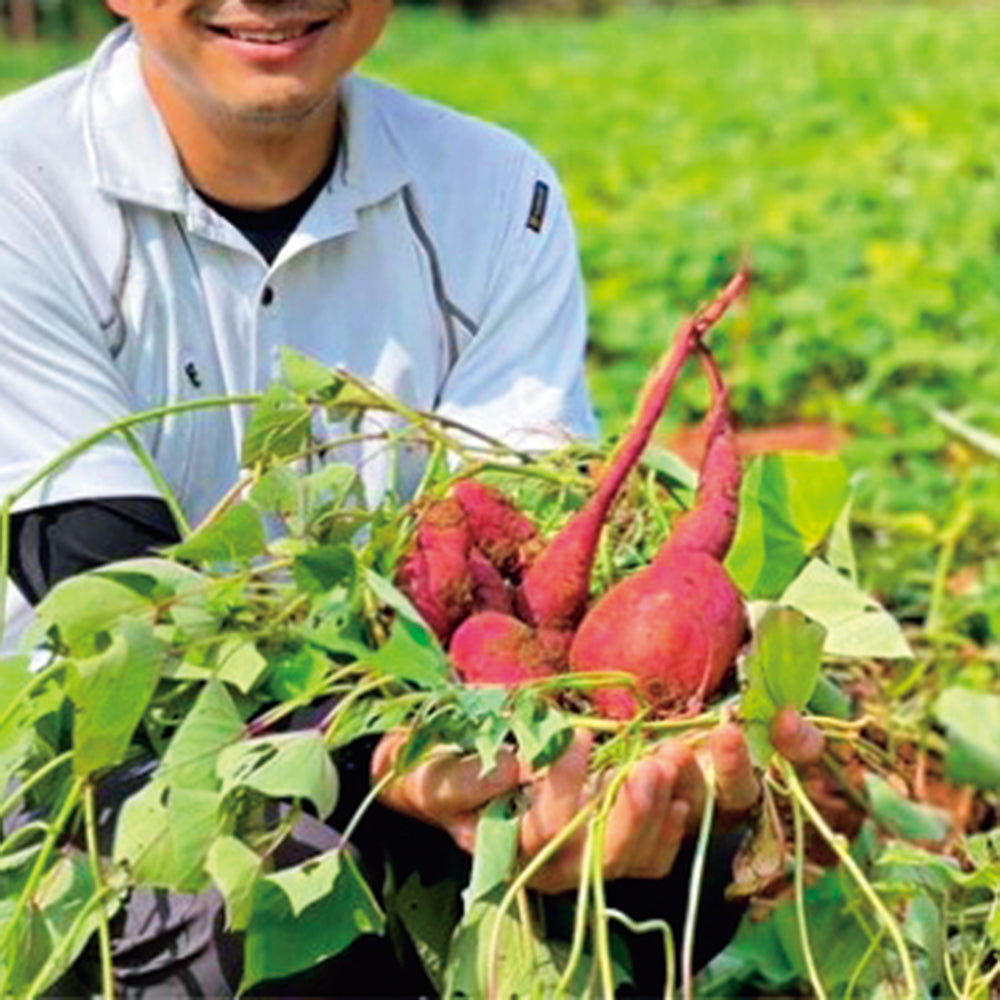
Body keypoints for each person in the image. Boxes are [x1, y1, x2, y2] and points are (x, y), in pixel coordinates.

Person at [0, 1, 824, 994]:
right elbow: (127, 635)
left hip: (429, 731)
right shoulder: (23, 189)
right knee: (246, 880)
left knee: (660, 838)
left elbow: (528, 575)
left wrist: (595, 742)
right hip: (93, 766)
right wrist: (386, 760)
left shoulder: (493, 191)